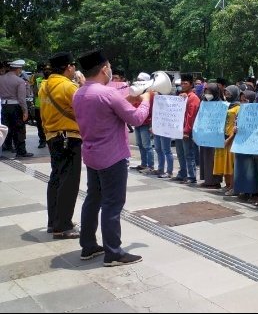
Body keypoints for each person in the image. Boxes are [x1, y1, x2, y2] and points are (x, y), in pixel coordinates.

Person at [73, 49, 151, 266]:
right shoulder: (107, 93)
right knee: (112, 204)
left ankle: (88, 246)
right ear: (104, 69)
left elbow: (106, 109)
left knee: (93, 199)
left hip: (91, 154)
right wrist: (145, 100)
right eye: (110, 67)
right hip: (112, 156)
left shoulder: (79, 93)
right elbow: (135, 119)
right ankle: (113, 253)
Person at [40, 52, 82, 239]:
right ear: (68, 67)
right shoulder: (68, 86)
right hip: (69, 137)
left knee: (56, 179)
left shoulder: (44, 86)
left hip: (52, 136)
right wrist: (81, 85)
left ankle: (54, 222)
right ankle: (63, 226)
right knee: (69, 182)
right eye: (72, 65)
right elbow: (84, 108)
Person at [232, 90, 258, 200]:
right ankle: (243, 190)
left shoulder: (257, 111)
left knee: (251, 169)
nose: (243, 102)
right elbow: (236, 123)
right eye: (242, 100)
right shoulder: (240, 111)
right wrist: (235, 129)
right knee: (240, 168)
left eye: (246, 100)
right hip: (240, 144)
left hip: (251, 145)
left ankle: (253, 192)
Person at [0, 59, 33, 157]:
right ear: (18, 69)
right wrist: (25, 111)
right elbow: (22, 99)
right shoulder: (20, 81)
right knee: (19, 129)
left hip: (3, 106)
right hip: (15, 107)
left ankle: (5, 147)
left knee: (5, 127)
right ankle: (21, 151)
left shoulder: (1, 78)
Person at [172, 74, 201, 184]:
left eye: (186, 83)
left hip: (186, 131)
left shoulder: (193, 98)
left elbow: (191, 116)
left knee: (189, 154)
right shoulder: (182, 96)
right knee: (180, 153)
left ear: (191, 84)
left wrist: (187, 131)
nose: (183, 85)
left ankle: (191, 176)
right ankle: (182, 173)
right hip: (179, 129)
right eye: (182, 83)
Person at [214, 85, 240, 194]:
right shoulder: (225, 106)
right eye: (226, 93)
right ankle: (227, 184)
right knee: (223, 162)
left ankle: (233, 187)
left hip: (231, 139)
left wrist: (230, 138)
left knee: (231, 164)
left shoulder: (238, 107)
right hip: (221, 137)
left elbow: (237, 126)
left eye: (229, 93)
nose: (227, 95)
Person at [197, 83, 223, 189]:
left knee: (213, 158)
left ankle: (215, 181)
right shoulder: (204, 103)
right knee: (205, 157)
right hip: (205, 135)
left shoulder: (221, 104)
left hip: (215, 136)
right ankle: (207, 180)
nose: (207, 94)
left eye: (210, 92)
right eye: (206, 92)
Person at [131, 72, 155, 173]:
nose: (138, 82)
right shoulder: (137, 92)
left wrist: (151, 124)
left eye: (141, 80)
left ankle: (150, 166)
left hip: (145, 123)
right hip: (138, 123)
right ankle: (144, 163)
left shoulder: (150, 94)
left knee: (147, 145)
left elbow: (152, 110)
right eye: (138, 80)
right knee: (140, 145)